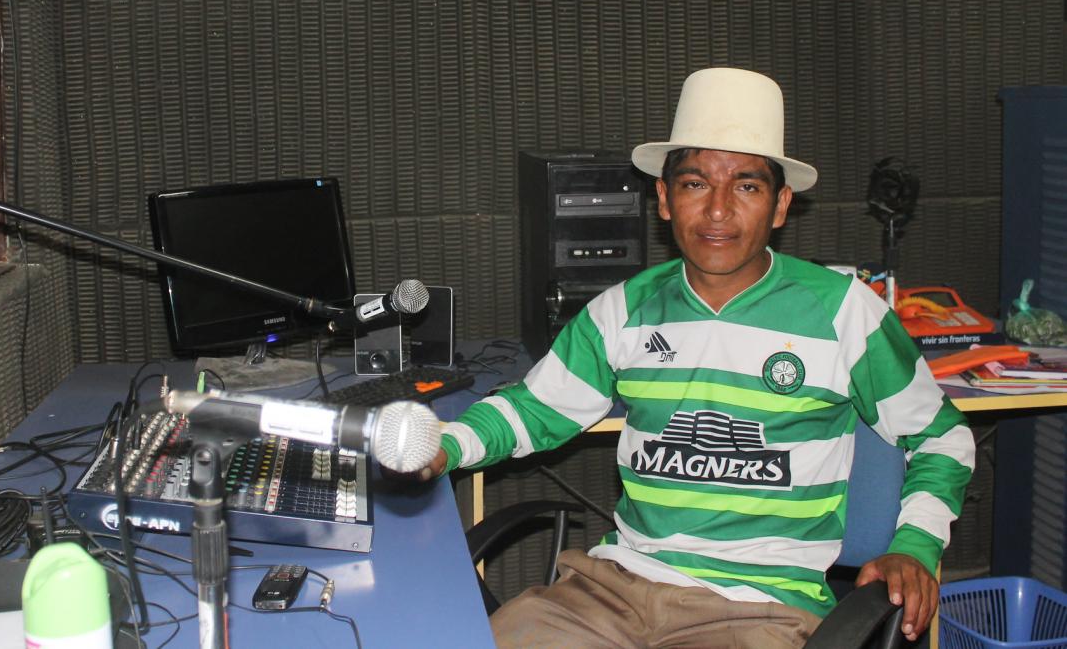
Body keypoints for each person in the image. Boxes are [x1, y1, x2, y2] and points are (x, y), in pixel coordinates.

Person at [417, 67, 975, 648]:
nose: (718, 211)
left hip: (760, 608)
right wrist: (446, 445)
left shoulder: (845, 313)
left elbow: (942, 437)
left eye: (747, 187)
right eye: (694, 184)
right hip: (614, 590)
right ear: (664, 198)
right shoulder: (623, 309)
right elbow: (533, 410)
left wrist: (916, 544)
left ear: (780, 205)